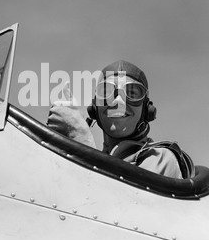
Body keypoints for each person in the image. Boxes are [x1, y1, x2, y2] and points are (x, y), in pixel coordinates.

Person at [47, 60, 194, 179]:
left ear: (146, 110)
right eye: (107, 93)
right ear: (94, 108)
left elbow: (116, 208)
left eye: (132, 93)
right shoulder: (86, 158)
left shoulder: (161, 159)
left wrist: (81, 140)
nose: (118, 101)